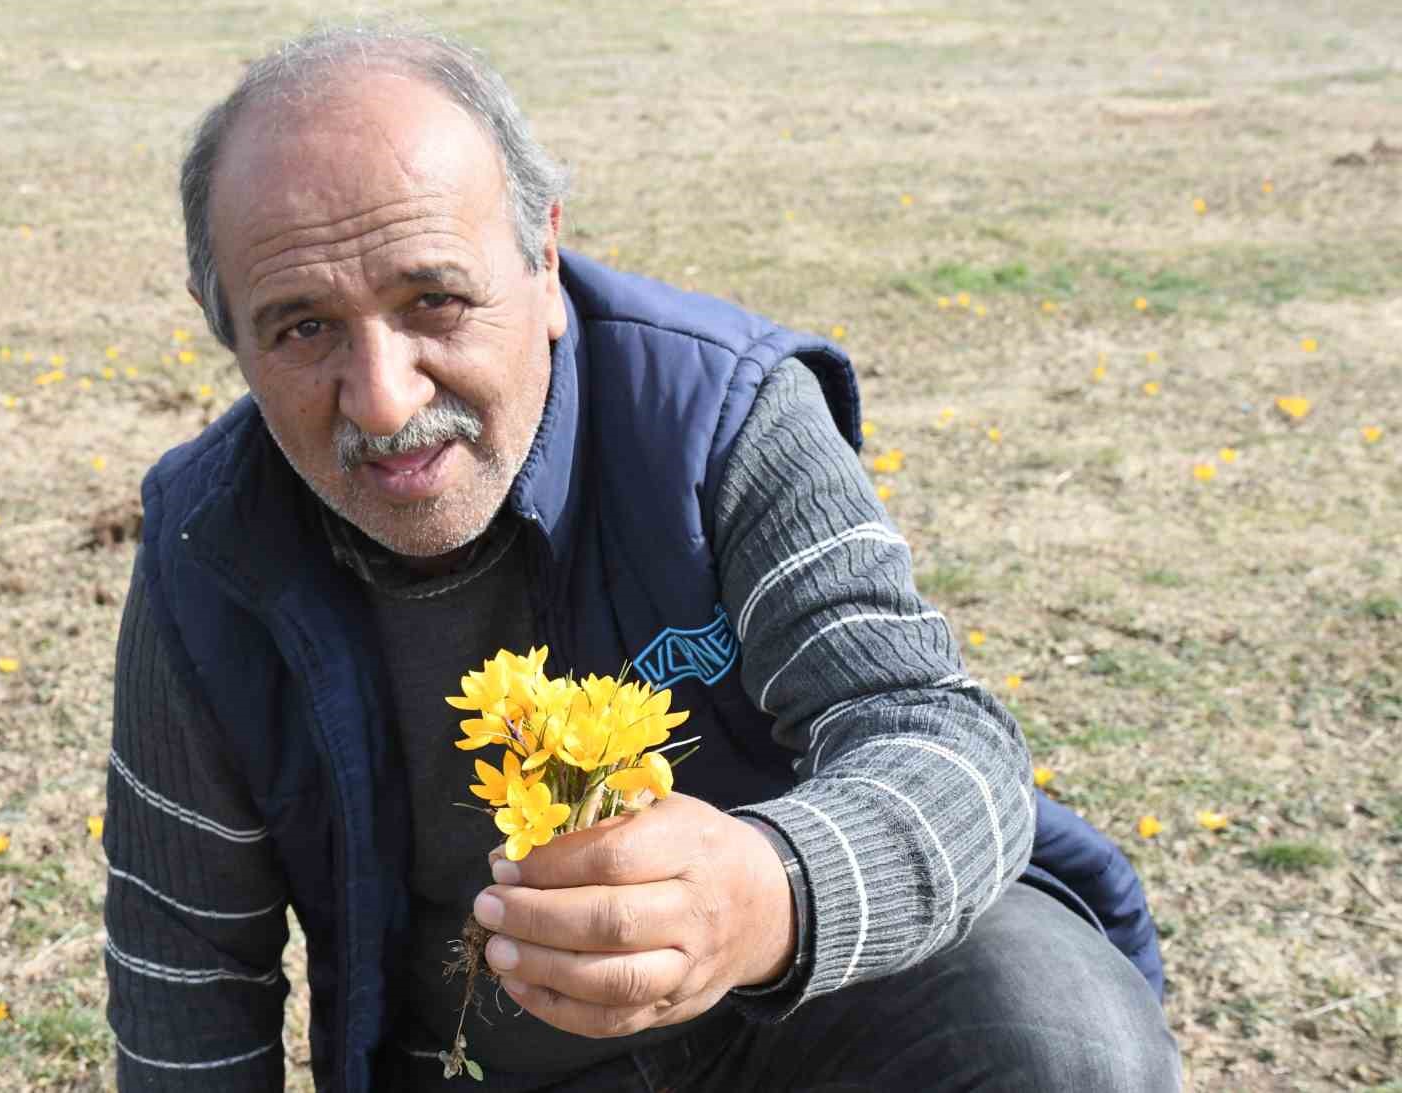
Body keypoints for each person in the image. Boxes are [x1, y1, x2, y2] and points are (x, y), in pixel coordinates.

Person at [102, 23, 1181, 1093]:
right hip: (490, 1062)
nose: (385, 396)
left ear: (543, 257)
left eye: (435, 298)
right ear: (227, 335)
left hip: (820, 1016)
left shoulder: (719, 417)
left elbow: (938, 741)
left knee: (1055, 1035)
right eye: (301, 328)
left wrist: (769, 895)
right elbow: (186, 960)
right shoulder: (212, 545)